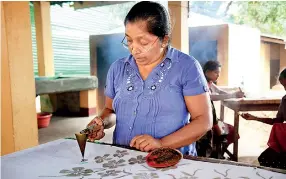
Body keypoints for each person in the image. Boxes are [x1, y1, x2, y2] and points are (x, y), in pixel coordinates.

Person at [86, 1, 213, 156]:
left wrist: (161, 143)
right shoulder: (118, 68)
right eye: (129, 40)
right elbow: (110, 110)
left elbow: (203, 121)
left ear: (164, 40)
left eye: (143, 42)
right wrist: (102, 123)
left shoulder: (186, 67)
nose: (134, 49)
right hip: (123, 158)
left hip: (170, 161)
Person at [196, 60, 245, 158]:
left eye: (219, 73)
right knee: (225, 131)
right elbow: (210, 97)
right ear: (207, 71)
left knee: (231, 130)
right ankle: (215, 154)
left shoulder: (209, 82)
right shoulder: (201, 81)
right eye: (215, 73)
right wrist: (233, 95)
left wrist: (234, 94)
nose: (218, 75)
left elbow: (219, 91)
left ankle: (219, 153)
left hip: (210, 119)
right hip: (202, 118)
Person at [240, 68, 286, 169]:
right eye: (284, 86)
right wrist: (254, 118)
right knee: (265, 158)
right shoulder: (285, 99)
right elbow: (277, 122)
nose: (285, 89)